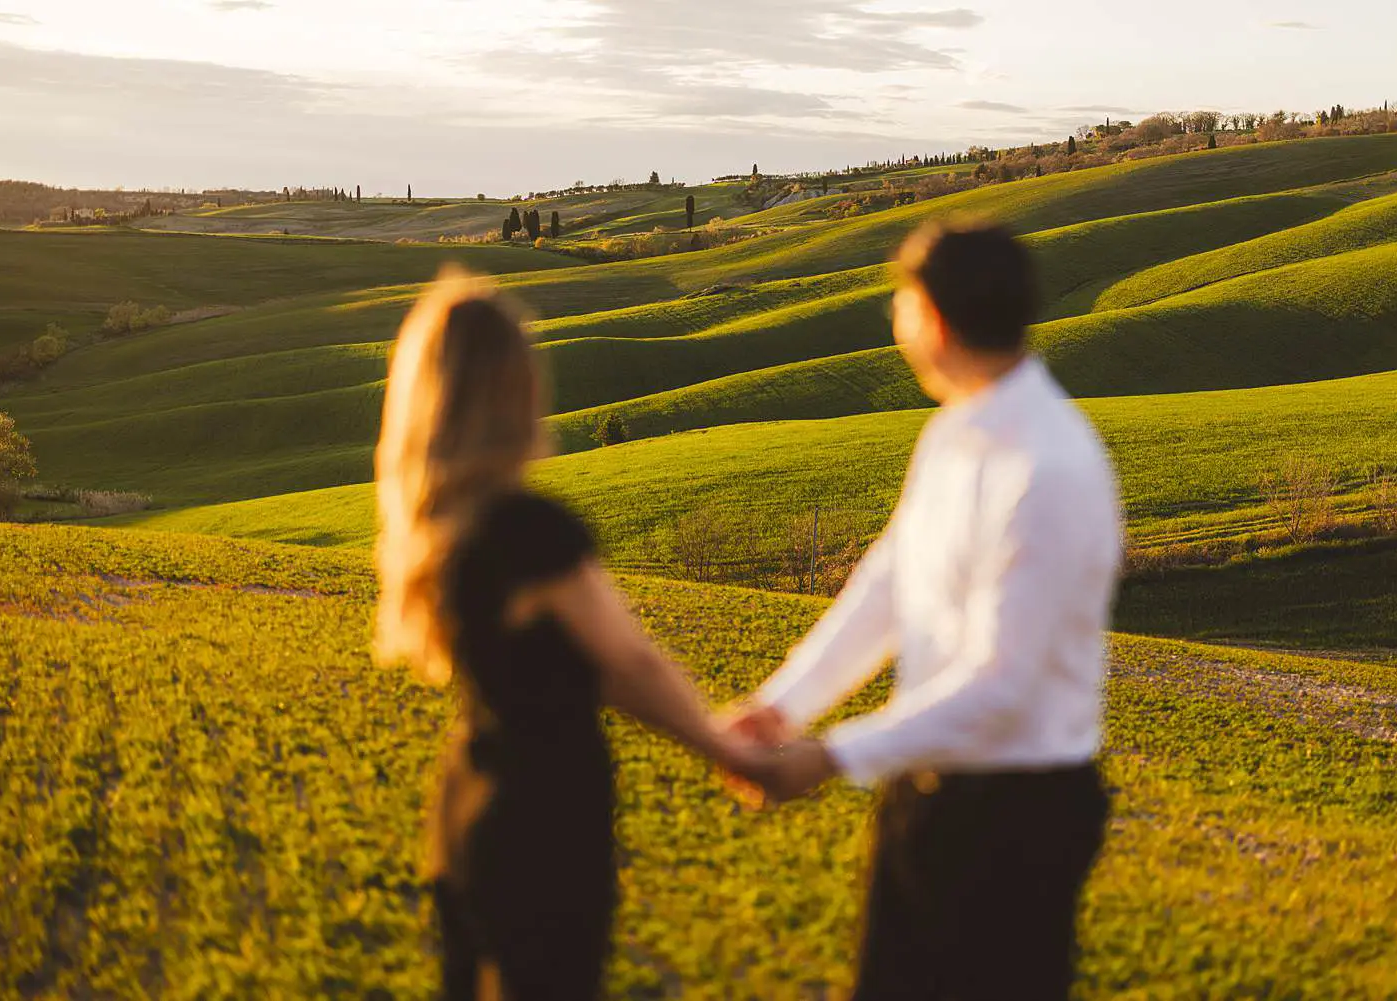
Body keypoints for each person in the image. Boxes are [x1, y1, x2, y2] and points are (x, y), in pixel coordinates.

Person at [731, 220, 1123, 1001]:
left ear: (934, 321)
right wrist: (781, 706)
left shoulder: (1049, 466)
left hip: (1020, 815)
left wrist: (831, 754)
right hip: (928, 790)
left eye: (900, 305)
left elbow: (1001, 685)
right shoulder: (953, 433)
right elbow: (888, 584)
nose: (897, 324)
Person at [372, 269, 770, 1001]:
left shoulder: (434, 530)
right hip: (543, 823)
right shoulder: (529, 531)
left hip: (465, 808)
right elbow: (630, 663)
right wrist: (728, 748)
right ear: (513, 390)